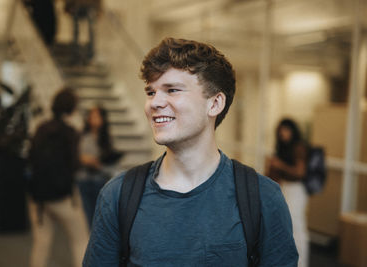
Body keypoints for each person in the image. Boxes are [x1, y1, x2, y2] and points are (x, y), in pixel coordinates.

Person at [83, 38, 298, 266]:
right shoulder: (118, 196)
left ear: (214, 104)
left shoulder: (262, 198)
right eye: (150, 92)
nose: (155, 102)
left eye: (172, 90)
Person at [28, 88, 88, 267]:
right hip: (63, 197)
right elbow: (74, 165)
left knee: (41, 245)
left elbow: (31, 158)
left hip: (37, 197)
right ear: (72, 108)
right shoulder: (70, 132)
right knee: (80, 240)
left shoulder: (40, 128)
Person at [268, 118, 309, 267]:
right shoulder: (282, 148)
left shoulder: (298, 147)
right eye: (281, 131)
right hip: (284, 188)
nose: (283, 134)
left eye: (286, 130)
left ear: (292, 130)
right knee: (285, 227)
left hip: (296, 189)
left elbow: (300, 172)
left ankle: (302, 263)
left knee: (297, 227)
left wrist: (280, 165)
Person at [76, 106, 122, 228]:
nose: (93, 119)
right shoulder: (83, 137)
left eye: (97, 116)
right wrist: (83, 160)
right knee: (86, 219)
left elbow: (113, 167)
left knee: (100, 219)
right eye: (91, 116)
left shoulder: (108, 140)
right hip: (84, 180)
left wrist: (98, 165)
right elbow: (76, 158)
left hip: (100, 181)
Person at [64, 0, 101, 64]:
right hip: (77, 6)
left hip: (89, 7)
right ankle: (76, 53)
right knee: (76, 30)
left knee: (91, 29)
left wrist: (99, 9)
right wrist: (68, 6)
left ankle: (90, 53)